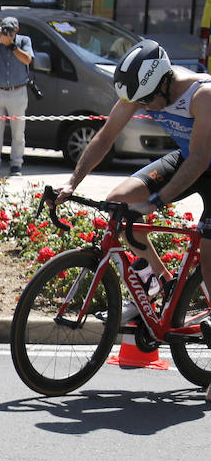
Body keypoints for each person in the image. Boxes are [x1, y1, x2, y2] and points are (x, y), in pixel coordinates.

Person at [56, 40, 210, 360]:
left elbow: (199, 159)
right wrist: (73, 181)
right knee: (121, 204)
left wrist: (158, 200)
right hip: (189, 158)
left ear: (164, 82)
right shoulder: (144, 90)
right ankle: (162, 283)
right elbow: (106, 135)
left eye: (148, 101)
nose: (145, 108)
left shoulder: (202, 96)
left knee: (209, 255)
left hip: (202, 160)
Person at [0, 15, 34, 177]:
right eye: (4, 29)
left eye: (10, 30)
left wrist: (12, 46)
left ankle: (16, 164)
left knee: (18, 132)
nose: (7, 33)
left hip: (17, 92)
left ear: (16, 30)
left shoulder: (24, 41)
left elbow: (27, 59)